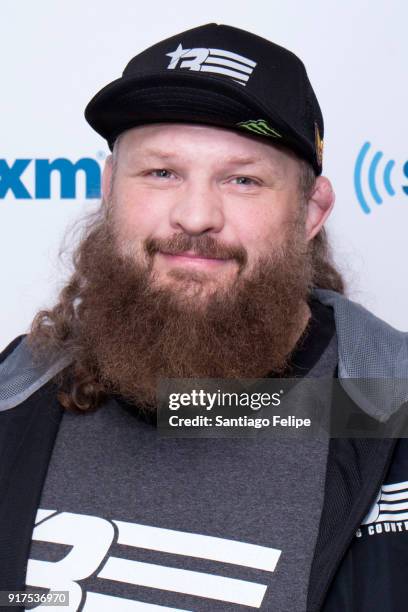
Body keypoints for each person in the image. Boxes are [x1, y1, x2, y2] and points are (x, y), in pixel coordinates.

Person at [0, 22, 407, 612]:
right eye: (162, 172)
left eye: (243, 180)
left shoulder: (385, 410)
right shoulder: (18, 392)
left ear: (311, 211)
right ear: (111, 188)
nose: (194, 217)